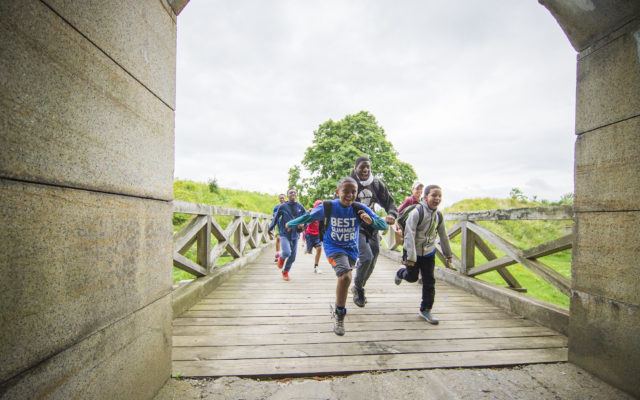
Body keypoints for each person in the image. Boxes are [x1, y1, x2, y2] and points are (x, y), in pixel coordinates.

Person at [287, 177, 387, 336]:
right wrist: (291, 223)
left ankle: (340, 308)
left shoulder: (358, 207)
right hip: (333, 247)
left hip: (351, 250)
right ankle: (340, 314)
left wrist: (371, 221)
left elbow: (383, 224)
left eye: (353, 192)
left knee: (346, 276)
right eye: (345, 191)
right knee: (345, 277)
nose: (350, 195)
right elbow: (308, 217)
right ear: (337, 192)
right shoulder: (328, 207)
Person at [394, 184, 453, 324]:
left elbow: (443, 235)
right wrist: (411, 258)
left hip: (428, 253)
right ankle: (401, 273)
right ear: (425, 197)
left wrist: (448, 254)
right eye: (434, 195)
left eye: (439, 196)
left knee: (429, 282)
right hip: (412, 252)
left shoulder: (438, 215)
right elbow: (409, 235)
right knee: (412, 277)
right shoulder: (417, 213)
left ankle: (425, 309)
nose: (437, 198)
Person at [350, 156, 398, 308]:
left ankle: (359, 285)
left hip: (372, 225)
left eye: (368, 167)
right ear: (355, 167)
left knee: (374, 256)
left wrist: (391, 214)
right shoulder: (349, 183)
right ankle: (358, 288)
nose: (365, 170)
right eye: (362, 167)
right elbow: (337, 201)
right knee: (366, 257)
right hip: (355, 226)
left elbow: (389, 202)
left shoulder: (376, 184)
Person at [268, 189, 306, 281]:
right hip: (284, 233)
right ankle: (281, 258)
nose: (292, 193)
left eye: (294, 192)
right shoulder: (283, 206)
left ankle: (285, 271)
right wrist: (270, 228)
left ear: (296, 195)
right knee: (286, 252)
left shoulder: (300, 207)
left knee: (292, 258)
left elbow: (306, 218)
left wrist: (303, 225)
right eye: (290, 193)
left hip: (295, 235)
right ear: (287, 196)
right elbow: (276, 218)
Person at [304, 200, 324, 274]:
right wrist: (308, 212)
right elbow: (304, 217)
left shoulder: (322, 215)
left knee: (319, 249)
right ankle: (308, 249)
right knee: (309, 251)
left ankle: (316, 267)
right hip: (309, 235)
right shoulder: (312, 213)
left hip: (317, 236)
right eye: (318, 205)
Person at [272, 194, 286, 262]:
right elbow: (274, 217)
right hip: (278, 225)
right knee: (278, 238)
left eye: (283, 198)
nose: (282, 199)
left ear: (285, 199)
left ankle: (283, 254)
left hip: (286, 225)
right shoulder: (276, 207)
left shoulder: (287, 206)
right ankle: (277, 254)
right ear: (279, 199)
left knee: (285, 240)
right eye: (280, 198)